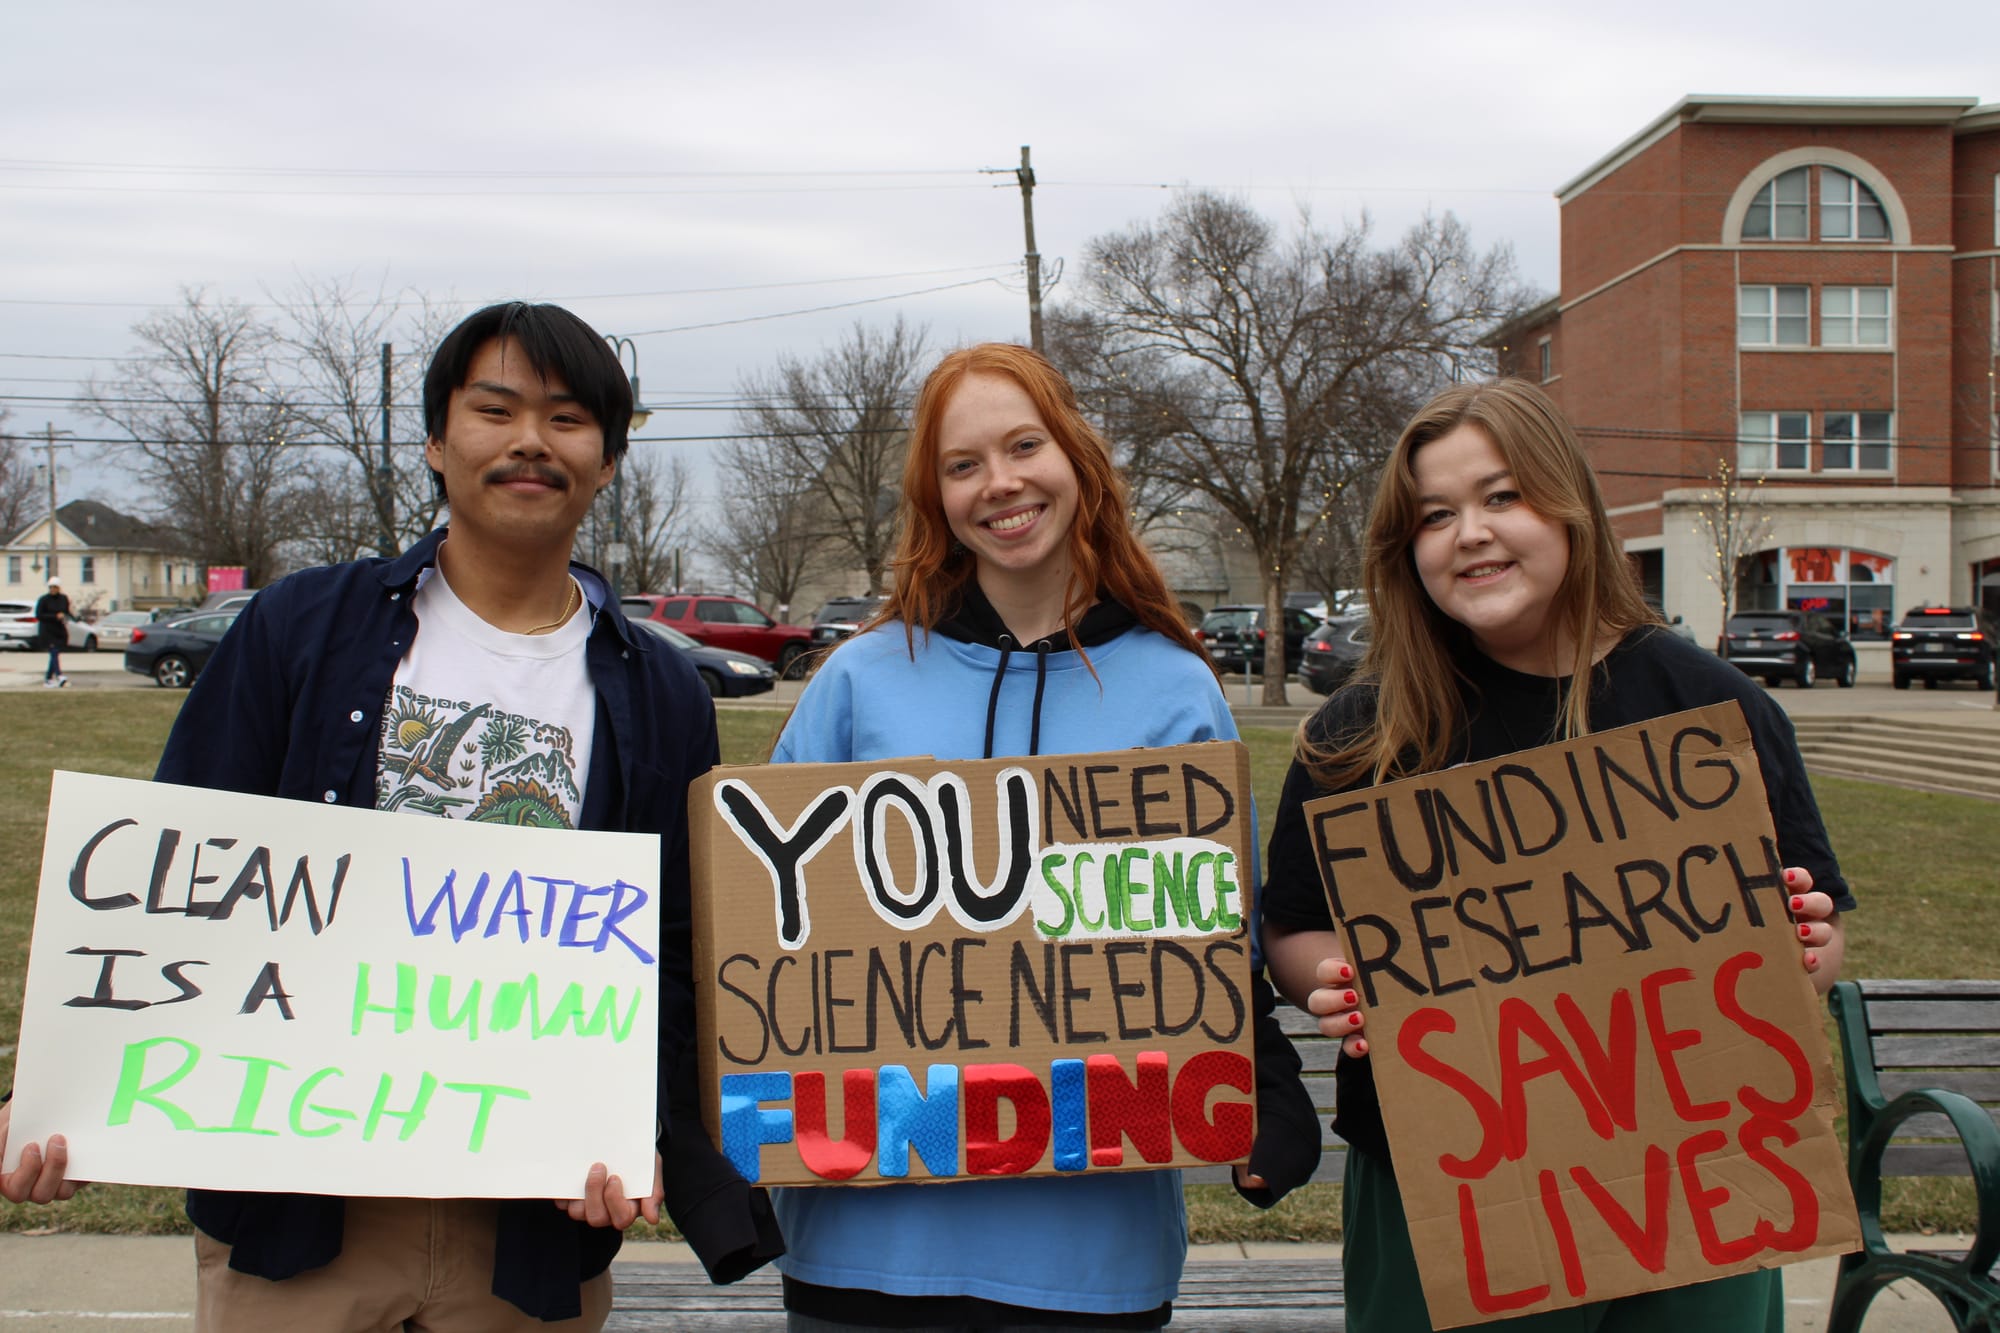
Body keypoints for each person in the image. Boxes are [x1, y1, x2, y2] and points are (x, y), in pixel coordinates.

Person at [0, 301, 772, 1330]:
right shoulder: (301, 629)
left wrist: (646, 1131)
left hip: (531, 1237)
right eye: (495, 409)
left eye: (568, 418)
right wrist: (71, 1096)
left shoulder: (659, 693)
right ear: (436, 443)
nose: (530, 440)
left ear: (608, 461)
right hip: (299, 1224)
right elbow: (174, 875)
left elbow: (672, 952)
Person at [1260, 378, 1851, 1333]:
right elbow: (1291, 925)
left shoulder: (1711, 710)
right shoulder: (1363, 733)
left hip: (1699, 1181)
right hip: (1445, 1186)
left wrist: (1805, 953)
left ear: (1569, 503)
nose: (1472, 533)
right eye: (1436, 514)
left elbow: (1811, 943)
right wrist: (1329, 978)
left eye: (1504, 497)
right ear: (1407, 550)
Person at [768, 343, 1321, 1331]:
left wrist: (1263, 1083)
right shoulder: (857, 680)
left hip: (1091, 1248)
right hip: (864, 1239)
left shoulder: (1176, 689)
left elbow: (1208, 949)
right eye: (963, 464)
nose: (1001, 483)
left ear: (1077, 457)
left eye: (1024, 445)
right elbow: (771, 938)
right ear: (934, 498)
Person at [35, 577, 71, 687]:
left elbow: (66, 611)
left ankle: (48, 679)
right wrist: (55, 616)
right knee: (54, 651)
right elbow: (39, 615)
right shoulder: (43, 599)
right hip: (47, 630)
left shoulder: (64, 598)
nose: (53, 589)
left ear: (59, 588)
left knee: (55, 653)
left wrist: (73, 618)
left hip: (59, 629)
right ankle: (59, 675)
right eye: (51, 587)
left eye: (55, 587)